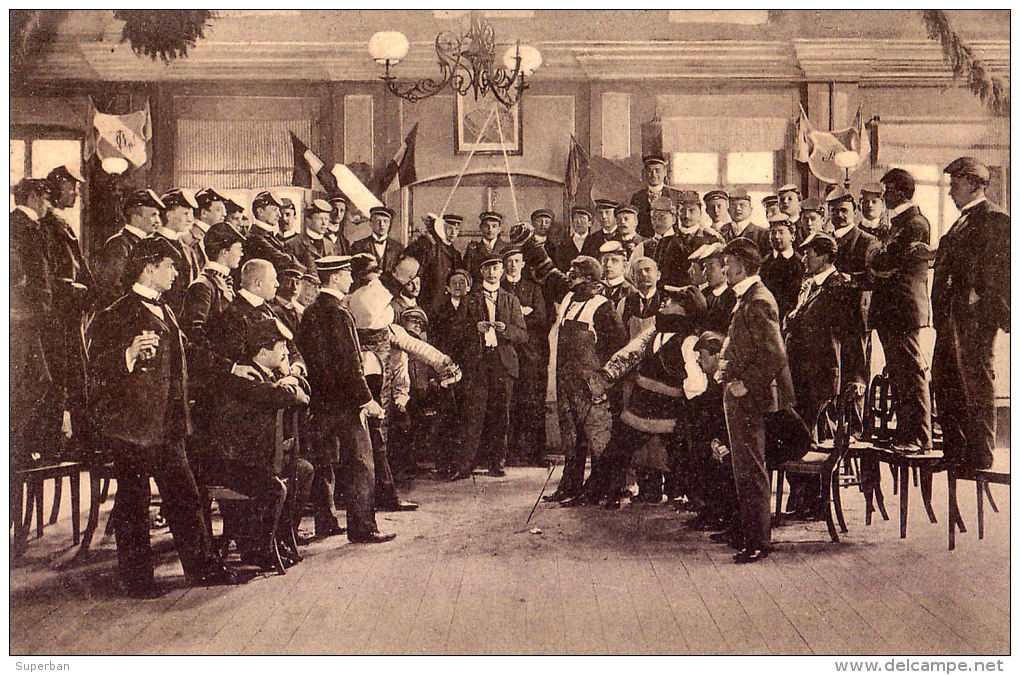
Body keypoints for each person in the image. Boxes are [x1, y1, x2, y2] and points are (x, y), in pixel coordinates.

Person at [87, 237, 248, 596]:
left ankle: (202, 570)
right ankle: (138, 581)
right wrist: (127, 354)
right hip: (132, 429)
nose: (176, 273)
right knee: (133, 504)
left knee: (186, 497)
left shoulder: (167, 310)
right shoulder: (115, 313)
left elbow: (190, 351)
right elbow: (93, 370)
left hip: (168, 426)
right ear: (149, 268)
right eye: (170, 266)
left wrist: (232, 367)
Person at [511, 222, 628, 501]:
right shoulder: (569, 298)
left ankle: (603, 490)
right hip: (566, 384)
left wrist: (605, 385)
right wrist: (528, 241)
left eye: (575, 274)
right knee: (571, 439)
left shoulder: (603, 308)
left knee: (598, 440)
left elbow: (619, 350)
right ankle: (571, 486)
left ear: (590, 279)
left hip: (592, 389)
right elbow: (549, 272)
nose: (569, 277)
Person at [295, 255, 394, 543]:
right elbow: (351, 363)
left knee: (324, 462)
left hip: (320, 402)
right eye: (347, 273)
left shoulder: (311, 312)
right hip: (346, 404)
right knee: (361, 464)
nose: (351, 278)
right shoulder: (339, 312)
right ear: (335, 278)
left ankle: (325, 522)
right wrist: (366, 399)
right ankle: (363, 527)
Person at [203, 318, 311, 571]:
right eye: (281, 347)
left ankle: (279, 539)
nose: (286, 352)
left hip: (256, 459)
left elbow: (302, 392)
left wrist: (290, 380)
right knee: (274, 489)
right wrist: (289, 386)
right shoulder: (243, 377)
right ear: (263, 352)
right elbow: (275, 395)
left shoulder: (269, 374)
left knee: (303, 471)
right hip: (230, 463)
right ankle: (256, 551)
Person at [590, 284, 707, 508]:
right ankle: (602, 492)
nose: (664, 303)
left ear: (683, 310)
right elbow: (631, 351)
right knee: (616, 451)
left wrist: (690, 406)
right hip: (639, 406)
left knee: (681, 458)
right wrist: (607, 375)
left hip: (667, 411)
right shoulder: (655, 330)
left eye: (671, 301)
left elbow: (696, 384)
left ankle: (700, 503)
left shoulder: (689, 341)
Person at [716, 237, 795, 564]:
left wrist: (745, 384)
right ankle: (750, 535)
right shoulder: (747, 297)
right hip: (742, 395)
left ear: (741, 264)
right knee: (744, 469)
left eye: (728, 263)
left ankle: (758, 542)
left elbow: (775, 354)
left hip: (753, 399)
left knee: (751, 470)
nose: (724, 269)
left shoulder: (758, 299)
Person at [932, 157, 1009, 470]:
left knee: (975, 380)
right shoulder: (961, 221)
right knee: (945, 377)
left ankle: (980, 453)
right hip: (952, 316)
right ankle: (955, 452)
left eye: (956, 183)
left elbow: (1002, 267)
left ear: (976, 184)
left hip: (975, 317)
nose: (950, 191)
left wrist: (979, 295)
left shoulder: (994, 218)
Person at [781, 232, 859, 519]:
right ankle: (801, 497)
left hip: (822, 375)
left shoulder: (840, 286)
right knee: (797, 433)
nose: (804, 258)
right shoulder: (808, 286)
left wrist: (855, 377)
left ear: (826, 255)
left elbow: (851, 336)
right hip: (799, 373)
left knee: (813, 435)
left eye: (810, 253)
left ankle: (815, 501)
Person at [448, 252, 528, 479]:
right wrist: (475, 328)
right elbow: (455, 332)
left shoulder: (511, 300)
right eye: (488, 268)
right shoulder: (469, 298)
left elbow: (523, 334)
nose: (493, 272)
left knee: (500, 414)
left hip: (503, 363)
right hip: (478, 363)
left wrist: (505, 330)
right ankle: (465, 466)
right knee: (473, 414)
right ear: (481, 272)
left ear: (502, 271)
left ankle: (496, 463)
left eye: (496, 268)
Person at [870, 168, 933, 453]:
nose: (883, 196)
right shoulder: (900, 224)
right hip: (892, 310)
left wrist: (878, 259)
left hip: (902, 309)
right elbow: (882, 263)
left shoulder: (915, 224)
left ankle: (919, 437)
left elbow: (883, 262)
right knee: (899, 373)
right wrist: (879, 260)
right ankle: (907, 433)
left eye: (886, 190)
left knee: (910, 372)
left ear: (899, 191)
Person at [40, 166, 93, 452]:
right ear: (57, 188)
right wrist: (76, 289)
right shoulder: (47, 223)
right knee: (65, 378)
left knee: (76, 375)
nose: (76, 193)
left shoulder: (59, 221)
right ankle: (63, 444)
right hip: (60, 316)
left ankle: (78, 442)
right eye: (72, 187)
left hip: (72, 314)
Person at [11, 178, 59, 475]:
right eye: (43, 198)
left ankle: (20, 447)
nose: (47, 204)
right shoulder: (19, 225)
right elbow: (19, 273)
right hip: (24, 319)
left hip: (33, 317)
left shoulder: (28, 225)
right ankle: (17, 449)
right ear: (31, 198)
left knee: (36, 381)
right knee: (29, 383)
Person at [830, 186, 879, 433]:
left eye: (844, 211)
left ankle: (855, 429)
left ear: (854, 211)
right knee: (833, 374)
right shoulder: (826, 240)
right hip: (829, 320)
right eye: (835, 211)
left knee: (855, 374)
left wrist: (849, 278)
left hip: (855, 319)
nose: (840, 216)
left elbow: (874, 277)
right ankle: (833, 429)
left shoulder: (867, 241)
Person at [501, 247, 550, 466]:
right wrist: (522, 312)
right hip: (507, 354)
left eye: (517, 261)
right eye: (509, 261)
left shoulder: (534, 288)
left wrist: (514, 318)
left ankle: (536, 454)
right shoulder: (498, 289)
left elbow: (540, 319)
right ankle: (508, 453)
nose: (513, 265)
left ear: (523, 264)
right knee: (508, 402)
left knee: (533, 403)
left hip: (532, 354)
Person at [687, 331, 738, 533]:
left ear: (717, 356)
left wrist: (718, 442)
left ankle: (723, 517)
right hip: (731, 436)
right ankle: (713, 512)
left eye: (702, 356)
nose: (699, 361)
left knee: (714, 457)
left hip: (764, 439)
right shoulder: (714, 380)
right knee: (699, 446)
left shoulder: (727, 378)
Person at [95, 189, 163, 308]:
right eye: (153, 215)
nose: (158, 221)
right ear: (136, 217)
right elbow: (114, 289)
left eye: (158, 215)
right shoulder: (118, 244)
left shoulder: (145, 244)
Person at [182, 221, 245, 344]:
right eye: (239, 250)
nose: (241, 254)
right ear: (224, 252)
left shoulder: (223, 280)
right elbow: (195, 334)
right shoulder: (202, 286)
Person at [404, 213, 464, 319]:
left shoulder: (456, 255)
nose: (453, 232)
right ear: (442, 228)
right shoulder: (431, 248)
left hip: (448, 307)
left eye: (457, 229)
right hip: (431, 305)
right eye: (449, 228)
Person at [154, 188, 200, 314]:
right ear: (169, 214)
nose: (190, 220)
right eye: (185, 214)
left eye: (191, 214)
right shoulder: (152, 244)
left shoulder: (187, 247)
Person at [759, 213, 805, 323]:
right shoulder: (763, 264)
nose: (776, 237)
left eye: (781, 232)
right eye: (773, 232)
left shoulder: (802, 264)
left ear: (792, 236)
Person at [243, 191, 301, 274]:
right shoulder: (255, 237)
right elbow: (283, 260)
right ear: (260, 212)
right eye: (274, 210)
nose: (279, 215)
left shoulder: (267, 235)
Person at [630, 154, 682, 239]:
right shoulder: (637, 197)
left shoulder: (677, 195)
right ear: (644, 173)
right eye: (650, 171)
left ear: (665, 172)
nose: (654, 175)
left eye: (657, 170)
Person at [692, 242, 737, 335]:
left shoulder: (732, 296)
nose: (705, 273)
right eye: (704, 267)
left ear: (724, 269)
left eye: (711, 267)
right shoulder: (704, 294)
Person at [286, 199, 338, 276]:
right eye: (320, 219)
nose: (324, 223)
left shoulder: (331, 246)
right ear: (308, 220)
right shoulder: (293, 244)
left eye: (326, 219)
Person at [350, 206, 404, 272]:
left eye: (385, 221)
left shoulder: (398, 248)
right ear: (371, 223)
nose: (382, 224)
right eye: (378, 221)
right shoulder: (358, 246)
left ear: (389, 224)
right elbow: (354, 272)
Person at [552, 206, 603, 273]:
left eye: (582, 218)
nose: (578, 222)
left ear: (590, 223)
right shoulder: (563, 244)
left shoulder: (598, 242)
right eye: (576, 219)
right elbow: (560, 267)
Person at [620, 257, 661, 339]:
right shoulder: (624, 303)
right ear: (633, 278)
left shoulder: (667, 301)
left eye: (648, 270)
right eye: (638, 272)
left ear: (658, 275)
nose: (644, 274)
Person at [599, 240, 636, 315]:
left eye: (614, 261)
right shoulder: (596, 289)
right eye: (605, 261)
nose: (608, 265)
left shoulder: (632, 293)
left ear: (624, 266)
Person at [269, 264, 306, 335]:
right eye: (288, 282)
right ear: (279, 283)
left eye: (297, 283)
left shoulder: (301, 310)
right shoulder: (270, 308)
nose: (294, 287)